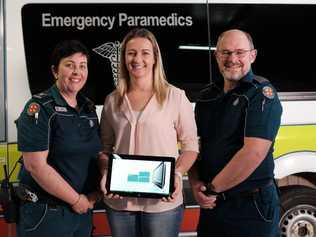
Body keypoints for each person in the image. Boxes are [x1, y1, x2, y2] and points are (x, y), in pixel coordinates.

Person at [99, 28, 199, 237]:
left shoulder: (176, 97)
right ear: (124, 58)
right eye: (131, 53)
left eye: (145, 53)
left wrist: (177, 174)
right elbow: (104, 149)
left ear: (155, 57)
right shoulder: (112, 100)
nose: (137, 59)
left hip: (162, 204)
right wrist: (106, 173)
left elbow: (191, 147)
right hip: (120, 204)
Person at [188, 29, 282, 237]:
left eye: (240, 52)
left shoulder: (261, 94)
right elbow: (193, 147)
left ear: (252, 55)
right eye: (226, 52)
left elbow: (253, 153)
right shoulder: (206, 97)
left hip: (250, 206)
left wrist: (211, 189)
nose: (233, 59)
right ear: (216, 56)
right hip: (213, 205)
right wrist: (195, 184)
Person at [15, 40, 102, 237]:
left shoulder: (88, 108)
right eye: (69, 65)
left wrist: (96, 192)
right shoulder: (40, 107)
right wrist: (76, 200)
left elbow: (96, 154)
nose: (77, 72)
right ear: (55, 71)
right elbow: (35, 166)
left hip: (82, 212)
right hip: (47, 215)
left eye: (82, 66)